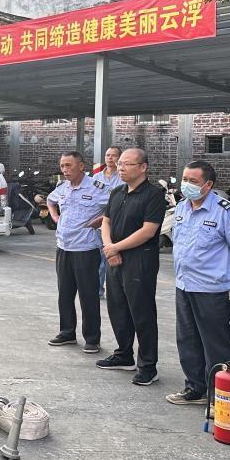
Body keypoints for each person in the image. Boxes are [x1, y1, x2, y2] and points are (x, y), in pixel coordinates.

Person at [164, 161, 230, 406]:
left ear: (208, 184)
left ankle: (220, 397)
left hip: (213, 290)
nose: (186, 185)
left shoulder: (225, 211)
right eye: (185, 179)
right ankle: (195, 388)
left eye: (193, 181)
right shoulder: (182, 207)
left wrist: (222, 274)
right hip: (185, 285)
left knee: (215, 344)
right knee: (187, 339)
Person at [97, 147, 165, 386]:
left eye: (127, 164)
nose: (120, 168)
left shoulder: (154, 195)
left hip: (140, 259)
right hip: (114, 257)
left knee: (142, 312)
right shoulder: (117, 192)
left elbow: (148, 231)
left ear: (143, 167)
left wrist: (116, 248)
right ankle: (124, 354)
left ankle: (148, 366)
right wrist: (109, 247)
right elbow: (106, 222)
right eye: (119, 164)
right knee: (117, 308)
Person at [46, 151, 111, 353]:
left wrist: (103, 220)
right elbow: (50, 200)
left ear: (81, 166)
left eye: (69, 165)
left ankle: (92, 338)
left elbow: (116, 205)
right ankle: (67, 333)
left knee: (88, 295)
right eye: (62, 166)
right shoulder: (62, 187)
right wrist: (55, 217)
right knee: (65, 293)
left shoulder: (97, 187)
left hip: (86, 248)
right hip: (63, 247)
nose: (65, 170)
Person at [93, 146, 125, 297]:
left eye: (113, 155)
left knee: (113, 259)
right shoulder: (97, 177)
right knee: (99, 259)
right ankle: (98, 290)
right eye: (107, 155)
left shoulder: (123, 176)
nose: (110, 158)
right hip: (100, 224)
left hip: (118, 223)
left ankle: (115, 291)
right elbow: (92, 198)